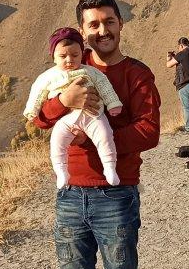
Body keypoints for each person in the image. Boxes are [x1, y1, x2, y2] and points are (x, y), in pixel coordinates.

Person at [33, 0, 161, 269]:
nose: (102, 30)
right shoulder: (69, 68)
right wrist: (60, 104)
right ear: (83, 31)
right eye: (93, 24)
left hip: (116, 197)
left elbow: (149, 132)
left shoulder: (137, 74)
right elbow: (37, 117)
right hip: (70, 197)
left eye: (109, 21)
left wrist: (95, 139)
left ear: (120, 24)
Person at [24, 26, 124, 187]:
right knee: (57, 140)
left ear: (82, 53)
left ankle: (110, 167)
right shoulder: (48, 76)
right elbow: (37, 93)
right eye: (63, 56)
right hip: (66, 120)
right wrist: (32, 110)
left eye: (75, 55)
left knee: (105, 135)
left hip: (94, 115)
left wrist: (113, 103)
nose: (69, 60)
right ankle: (61, 171)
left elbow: (105, 87)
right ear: (54, 57)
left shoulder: (91, 72)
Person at [166, 37, 189, 135]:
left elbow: (168, 65)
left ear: (181, 45)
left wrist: (169, 58)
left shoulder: (182, 54)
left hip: (185, 86)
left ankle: (188, 130)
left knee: (187, 108)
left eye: (179, 47)